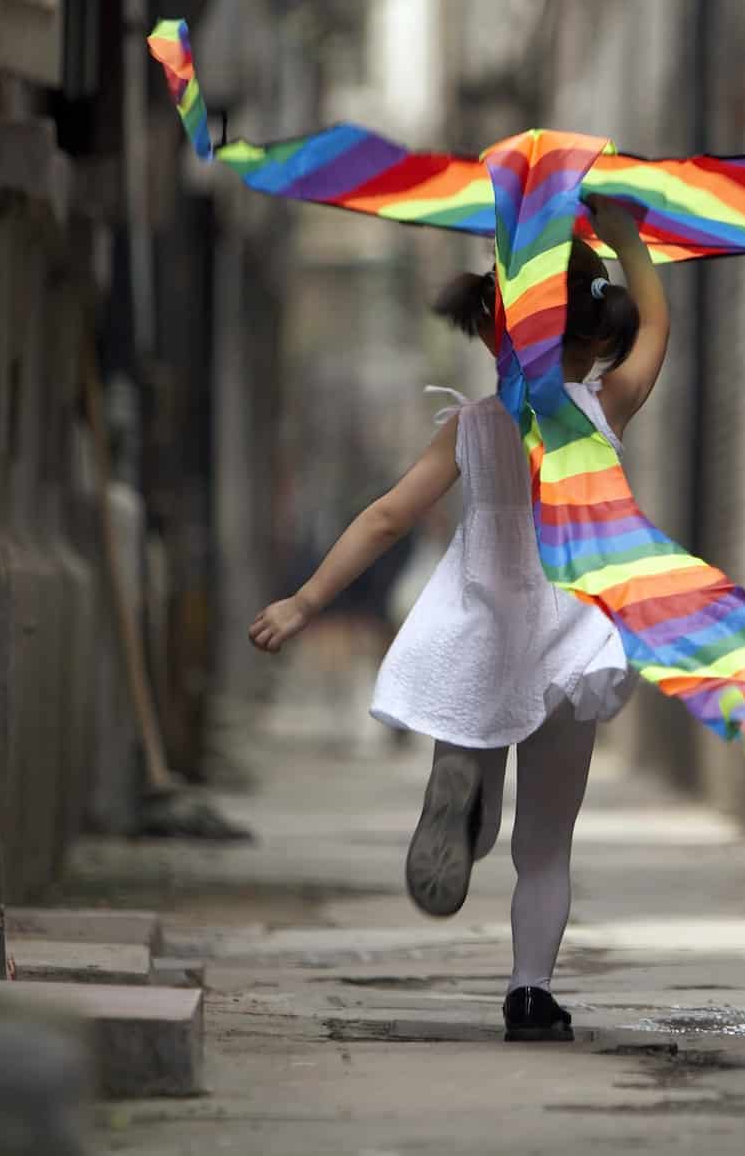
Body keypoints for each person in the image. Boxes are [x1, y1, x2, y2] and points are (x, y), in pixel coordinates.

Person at [248, 194, 668, 1043]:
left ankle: (465, 804)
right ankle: (527, 992)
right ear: (597, 338)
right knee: (547, 841)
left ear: (492, 333)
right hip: (567, 638)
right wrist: (624, 233)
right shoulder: (603, 409)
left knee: (471, 782)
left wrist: (304, 601)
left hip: (479, 625)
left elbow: (387, 517)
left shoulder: (475, 426)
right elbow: (656, 321)